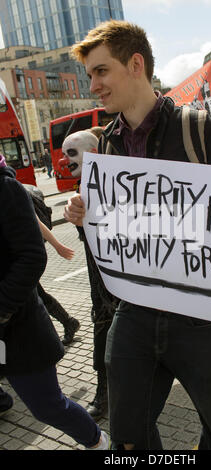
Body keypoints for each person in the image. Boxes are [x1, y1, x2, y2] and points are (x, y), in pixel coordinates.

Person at [64, 20, 211, 450]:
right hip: (133, 310)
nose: (93, 85)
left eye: (101, 71)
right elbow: (114, 230)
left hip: (198, 318)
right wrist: (85, 215)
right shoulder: (109, 146)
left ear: (136, 64)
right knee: (127, 440)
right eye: (91, 75)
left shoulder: (201, 130)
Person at [0, 155, 109, 449]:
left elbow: (32, 256)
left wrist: (1, 309)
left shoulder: (6, 189)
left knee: (47, 406)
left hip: (15, 330)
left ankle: (100, 443)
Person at [61, 130, 118, 418]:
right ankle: (104, 391)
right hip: (100, 280)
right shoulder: (82, 185)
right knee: (102, 327)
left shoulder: (116, 181)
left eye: (71, 153)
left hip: (124, 274)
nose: (63, 160)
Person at [25, 185, 80, 346]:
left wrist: (57, 245)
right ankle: (68, 322)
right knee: (35, 295)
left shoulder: (8, 187)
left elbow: (34, 219)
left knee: (35, 296)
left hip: (18, 258)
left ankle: (65, 325)